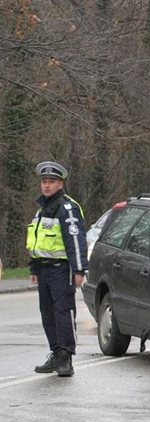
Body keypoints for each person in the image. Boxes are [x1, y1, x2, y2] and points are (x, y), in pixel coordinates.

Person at [26, 161, 88, 377]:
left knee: (63, 312)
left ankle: (66, 357)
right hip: (43, 270)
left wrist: (79, 270)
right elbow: (36, 241)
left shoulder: (67, 207)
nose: (47, 186)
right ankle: (55, 352)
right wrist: (34, 268)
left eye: (51, 182)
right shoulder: (42, 208)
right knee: (47, 313)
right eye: (44, 181)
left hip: (62, 269)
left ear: (60, 183)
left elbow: (75, 240)